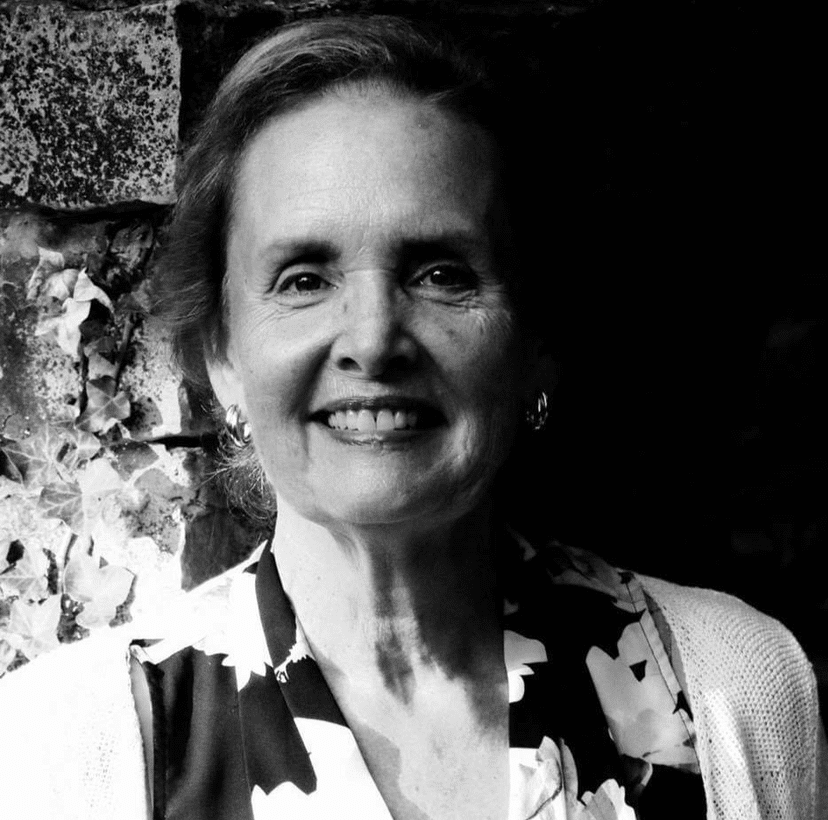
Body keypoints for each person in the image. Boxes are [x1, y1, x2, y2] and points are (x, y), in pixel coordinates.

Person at [1, 15, 826, 820]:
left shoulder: (734, 685)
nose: (372, 340)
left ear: (536, 342)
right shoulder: (60, 750)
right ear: (222, 354)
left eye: (440, 274)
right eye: (303, 279)